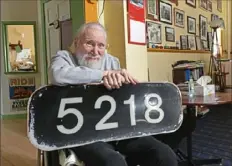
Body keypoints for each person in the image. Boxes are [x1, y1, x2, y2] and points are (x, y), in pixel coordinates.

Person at [49, 22, 178, 166]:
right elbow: (58, 75)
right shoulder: (64, 57)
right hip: (84, 133)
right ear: (76, 42)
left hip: (118, 129)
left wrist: (124, 82)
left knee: (164, 154)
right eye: (89, 44)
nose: (96, 51)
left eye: (101, 45)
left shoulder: (112, 61)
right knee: (114, 162)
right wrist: (103, 75)